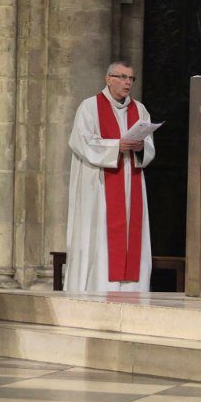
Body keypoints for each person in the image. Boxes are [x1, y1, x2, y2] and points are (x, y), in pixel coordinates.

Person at [65, 61, 155, 292]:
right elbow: (82, 141)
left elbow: (149, 147)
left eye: (131, 78)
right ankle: (98, 287)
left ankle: (131, 290)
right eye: (123, 77)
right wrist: (118, 145)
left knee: (130, 234)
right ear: (109, 79)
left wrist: (140, 147)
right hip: (100, 186)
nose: (128, 82)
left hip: (130, 180)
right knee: (100, 236)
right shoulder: (90, 107)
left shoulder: (140, 110)